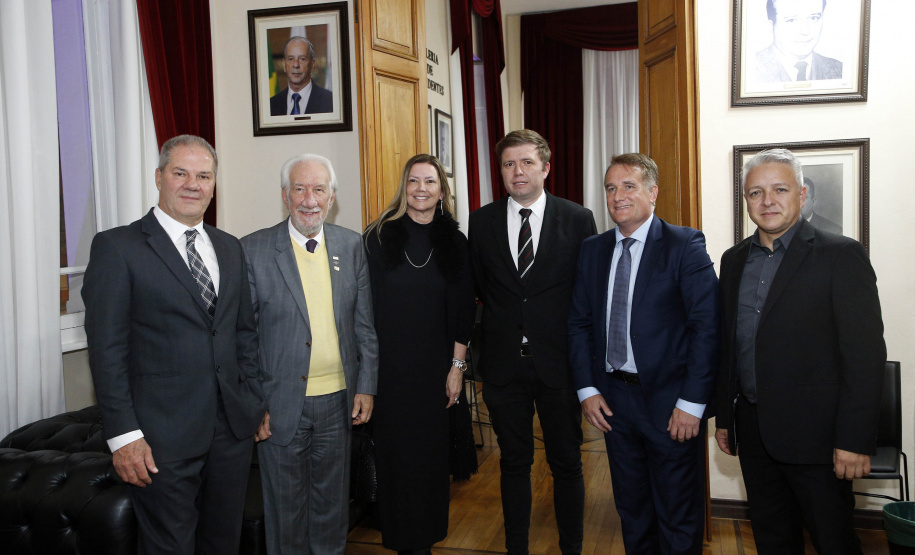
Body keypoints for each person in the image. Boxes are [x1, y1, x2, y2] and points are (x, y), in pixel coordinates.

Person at [82, 134, 266, 554]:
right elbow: (107, 352)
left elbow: (243, 335)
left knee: (222, 543)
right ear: (159, 177)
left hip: (231, 433)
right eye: (180, 173)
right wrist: (124, 437)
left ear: (214, 184)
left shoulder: (229, 247)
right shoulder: (118, 247)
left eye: (203, 176)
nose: (192, 184)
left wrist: (254, 402)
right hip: (158, 438)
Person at [715, 149, 885, 554]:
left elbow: (864, 356)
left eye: (779, 189)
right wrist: (726, 417)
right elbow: (728, 345)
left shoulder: (841, 254)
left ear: (802, 194)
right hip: (754, 433)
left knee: (834, 541)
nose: (767, 201)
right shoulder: (733, 260)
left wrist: (855, 439)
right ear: (746, 199)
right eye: (755, 192)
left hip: (820, 439)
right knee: (773, 540)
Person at [568, 154, 719, 554]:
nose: (618, 196)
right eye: (611, 188)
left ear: (653, 192)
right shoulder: (592, 249)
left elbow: (706, 328)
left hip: (671, 406)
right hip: (613, 402)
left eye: (629, 186)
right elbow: (579, 324)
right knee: (632, 511)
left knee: (677, 514)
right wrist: (586, 389)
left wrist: (692, 403)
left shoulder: (685, 245)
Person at [240, 154, 378, 554]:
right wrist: (253, 405)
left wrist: (366, 386)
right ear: (285, 195)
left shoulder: (352, 246)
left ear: (332, 197)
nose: (309, 199)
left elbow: (364, 326)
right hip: (279, 407)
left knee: (331, 511)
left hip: (339, 404)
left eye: (319, 190)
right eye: (299, 189)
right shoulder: (253, 249)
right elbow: (243, 339)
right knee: (286, 514)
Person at [469, 129, 596, 554]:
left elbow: (588, 296)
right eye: (508, 164)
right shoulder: (481, 221)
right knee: (513, 464)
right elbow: (481, 289)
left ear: (545, 167)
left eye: (526, 163)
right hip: (504, 368)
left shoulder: (578, 219)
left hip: (559, 366)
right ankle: (516, 548)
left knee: (567, 465)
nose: (517, 172)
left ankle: (571, 549)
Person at [363, 154, 477, 554]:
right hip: (389, 372)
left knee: (429, 461)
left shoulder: (457, 242)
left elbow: (465, 310)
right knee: (395, 461)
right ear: (404, 187)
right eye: (414, 181)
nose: (421, 189)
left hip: (435, 372)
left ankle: (425, 541)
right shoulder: (377, 237)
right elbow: (363, 310)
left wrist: (457, 367)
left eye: (430, 182)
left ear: (442, 190)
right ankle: (398, 539)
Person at [753, 0, 842, 83]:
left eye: (813, 18)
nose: (805, 31)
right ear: (771, 26)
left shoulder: (840, 70)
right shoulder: (749, 69)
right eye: (791, 20)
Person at [269, 36, 334, 116]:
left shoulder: (331, 101)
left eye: (302, 59)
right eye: (291, 58)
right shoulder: (271, 105)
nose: (296, 65)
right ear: (284, 65)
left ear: (312, 64)